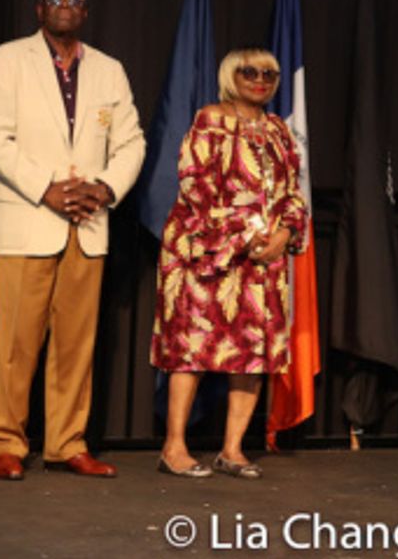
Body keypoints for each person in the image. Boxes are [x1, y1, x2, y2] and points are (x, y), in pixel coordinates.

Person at [0, 0, 145, 481]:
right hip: (28, 215)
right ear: (38, 8)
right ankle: (5, 442)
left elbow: (131, 141)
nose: (64, 5)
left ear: (85, 11)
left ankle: (67, 442)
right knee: (15, 343)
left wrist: (106, 188)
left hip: (87, 223)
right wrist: (46, 186)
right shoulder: (6, 60)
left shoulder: (109, 70)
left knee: (76, 344)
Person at [150, 49, 308, 480]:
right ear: (230, 75)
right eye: (250, 72)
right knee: (192, 352)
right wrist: (246, 233)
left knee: (252, 354)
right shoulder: (209, 120)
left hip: (263, 260)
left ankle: (233, 450)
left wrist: (285, 233)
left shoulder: (278, 130)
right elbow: (195, 185)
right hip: (207, 253)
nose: (261, 80)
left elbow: (294, 192)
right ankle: (174, 447)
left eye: (270, 74)